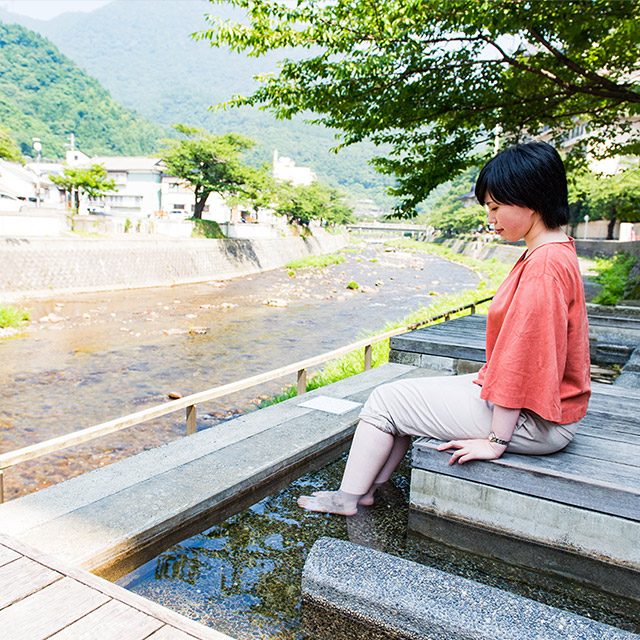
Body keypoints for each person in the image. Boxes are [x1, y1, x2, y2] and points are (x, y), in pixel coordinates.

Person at [298, 141, 591, 516]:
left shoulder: (543, 266)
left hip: (535, 421)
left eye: (496, 206)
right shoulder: (554, 250)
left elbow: (522, 360)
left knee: (384, 403)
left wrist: (495, 440)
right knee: (398, 397)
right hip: (546, 410)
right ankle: (371, 489)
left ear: (530, 201)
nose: (491, 218)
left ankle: (348, 499)